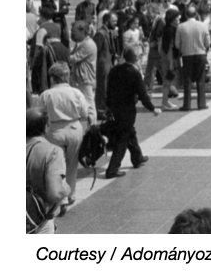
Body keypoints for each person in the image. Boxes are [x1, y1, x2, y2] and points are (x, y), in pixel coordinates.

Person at [40, 62, 93, 199]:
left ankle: (60, 196)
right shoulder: (76, 93)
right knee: (72, 163)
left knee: (56, 166)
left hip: (53, 130)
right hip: (74, 129)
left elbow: (40, 115)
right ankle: (71, 193)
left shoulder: (46, 95)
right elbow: (84, 113)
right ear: (67, 77)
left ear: (52, 78)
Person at [104, 48, 159, 178]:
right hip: (127, 109)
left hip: (116, 108)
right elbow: (142, 94)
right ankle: (112, 169)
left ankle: (137, 157)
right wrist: (152, 108)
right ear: (135, 58)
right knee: (123, 137)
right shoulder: (134, 73)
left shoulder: (114, 70)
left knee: (129, 131)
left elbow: (109, 91)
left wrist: (108, 107)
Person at [27, 108, 71, 234]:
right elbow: (55, 194)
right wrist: (66, 190)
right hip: (38, 222)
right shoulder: (52, 152)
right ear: (46, 126)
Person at [174, 4, 211, 110]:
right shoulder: (203, 26)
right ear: (196, 14)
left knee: (187, 80)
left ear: (185, 15)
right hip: (200, 54)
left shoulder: (180, 27)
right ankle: (201, 104)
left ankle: (187, 105)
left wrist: (183, 48)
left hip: (186, 55)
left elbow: (177, 44)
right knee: (201, 79)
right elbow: (208, 42)